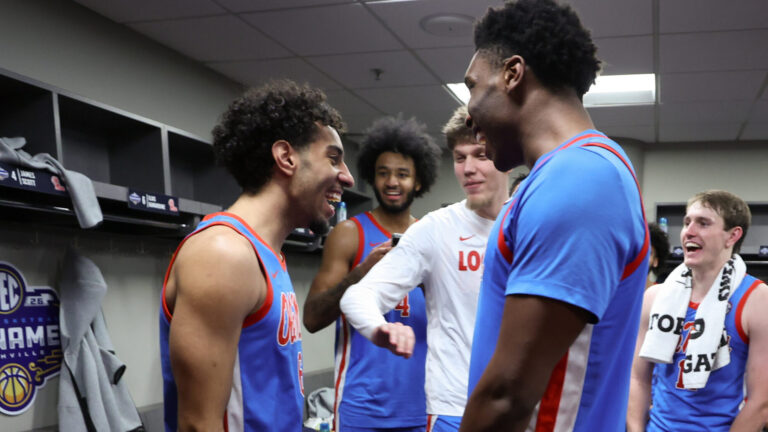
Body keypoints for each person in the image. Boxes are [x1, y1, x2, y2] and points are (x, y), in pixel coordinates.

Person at [458, 1, 649, 430]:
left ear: (512, 74)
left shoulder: (581, 179)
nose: (469, 112)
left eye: (472, 86)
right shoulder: (558, 178)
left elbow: (509, 394)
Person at [159, 80, 354, 431]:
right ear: (286, 157)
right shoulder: (224, 254)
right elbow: (197, 425)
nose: (348, 177)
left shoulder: (266, 255)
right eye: (334, 158)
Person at [339, 105, 511, 432]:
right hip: (453, 409)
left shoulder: (530, 222)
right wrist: (380, 329)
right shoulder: (436, 229)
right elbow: (357, 297)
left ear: (504, 157)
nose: (469, 168)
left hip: (518, 408)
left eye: (481, 155)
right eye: (460, 158)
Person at [304, 116, 441, 432]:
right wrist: (361, 273)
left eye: (403, 174)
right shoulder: (349, 234)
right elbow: (312, 318)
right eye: (383, 173)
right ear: (372, 178)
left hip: (423, 407)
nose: (392, 182)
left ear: (418, 182)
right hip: (360, 409)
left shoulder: (433, 237)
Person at [628, 191, 768, 432]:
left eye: (703, 223)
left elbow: (762, 402)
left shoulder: (757, 300)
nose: (688, 232)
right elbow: (636, 379)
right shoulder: (655, 298)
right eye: (686, 222)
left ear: (732, 236)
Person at [647, 222, 671, 288]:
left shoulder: (662, 295)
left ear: (655, 261)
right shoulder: (617, 292)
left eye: (648, 253)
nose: (641, 258)